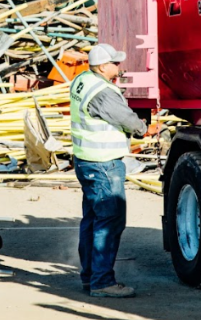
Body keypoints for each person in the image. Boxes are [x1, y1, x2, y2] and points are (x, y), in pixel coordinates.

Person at [70, 43, 147, 298]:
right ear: (103, 67)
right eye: (115, 63)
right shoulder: (102, 92)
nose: (119, 66)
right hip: (103, 164)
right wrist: (143, 128)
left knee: (92, 221)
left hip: (86, 161)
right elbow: (127, 120)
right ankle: (102, 282)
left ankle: (90, 277)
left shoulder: (83, 80)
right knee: (109, 223)